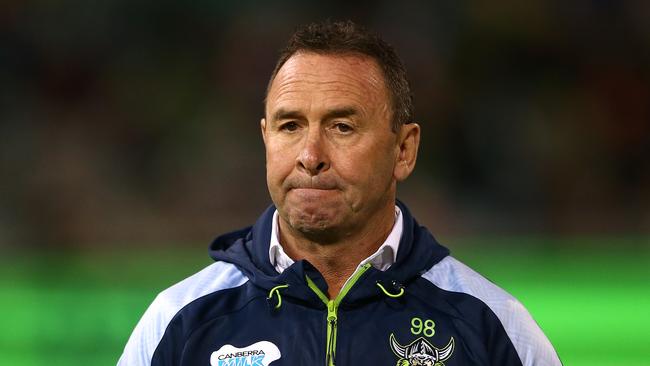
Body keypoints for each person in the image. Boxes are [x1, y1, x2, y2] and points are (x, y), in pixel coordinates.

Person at [118, 20, 561, 366]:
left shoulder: (493, 326)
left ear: (403, 150)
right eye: (290, 126)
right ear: (265, 139)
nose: (310, 155)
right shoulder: (178, 319)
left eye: (342, 127)